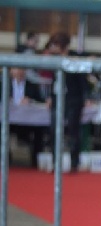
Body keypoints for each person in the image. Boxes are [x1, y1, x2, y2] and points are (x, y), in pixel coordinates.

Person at [44, 32, 89, 172]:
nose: (52, 47)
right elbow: (54, 80)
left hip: (73, 99)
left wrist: (85, 98)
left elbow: (82, 80)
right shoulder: (54, 59)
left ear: (62, 45)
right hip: (57, 98)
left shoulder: (75, 57)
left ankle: (74, 163)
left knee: (73, 131)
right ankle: (55, 163)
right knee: (53, 131)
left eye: (55, 44)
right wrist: (51, 96)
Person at [6, 67, 46, 167]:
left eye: (22, 69)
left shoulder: (32, 85)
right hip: (8, 120)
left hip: (29, 120)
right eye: (17, 69)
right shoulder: (4, 84)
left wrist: (30, 100)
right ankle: (6, 157)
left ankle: (35, 159)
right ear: (11, 71)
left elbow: (41, 101)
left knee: (39, 129)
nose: (19, 71)